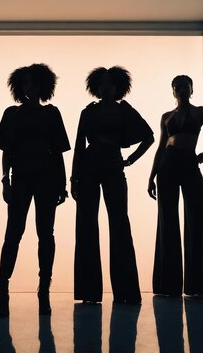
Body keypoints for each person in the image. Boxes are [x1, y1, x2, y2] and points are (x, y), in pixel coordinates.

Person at [0, 64, 70, 318]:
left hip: (47, 178)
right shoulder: (11, 113)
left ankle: (44, 290)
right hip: (21, 178)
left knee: (45, 233)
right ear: (20, 87)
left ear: (43, 86)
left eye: (34, 84)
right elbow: (6, 150)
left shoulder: (52, 113)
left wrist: (62, 184)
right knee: (13, 232)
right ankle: (3, 288)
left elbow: (58, 151)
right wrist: (5, 180)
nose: (30, 88)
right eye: (26, 84)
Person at [71, 66, 154, 304]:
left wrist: (130, 160)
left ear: (118, 87)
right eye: (102, 83)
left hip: (113, 169)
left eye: (110, 83)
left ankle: (126, 292)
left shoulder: (124, 110)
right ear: (96, 87)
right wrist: (73, 178)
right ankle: (89, 293)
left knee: (119, 225)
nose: (106, 87)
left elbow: (148, 137)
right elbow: (78, 146)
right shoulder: (87, 112)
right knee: (86, 225)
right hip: (88, 169)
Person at [148, 75, 203, 297]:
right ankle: (167, 286)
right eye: (177, 87)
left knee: (197, 220)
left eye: (185, 86)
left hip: (189, 163)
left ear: (192, 89)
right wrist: (151, 175)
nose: (181, 90)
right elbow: (161, 146)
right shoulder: (166, 117)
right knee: (167, 222)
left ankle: (197, 285)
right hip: (167, 165)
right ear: (173, 91)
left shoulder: (199, 112)